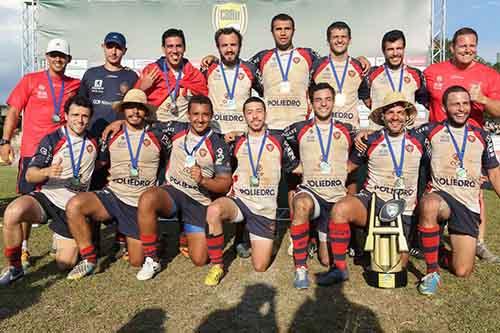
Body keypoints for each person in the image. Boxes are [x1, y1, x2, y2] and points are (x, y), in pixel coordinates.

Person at [318, 92, 426, 286]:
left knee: (396, 267)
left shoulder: (420, 140)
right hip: (372, 202)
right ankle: (339, 269)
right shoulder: (369, 139)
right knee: (340, 209)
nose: (395, 117)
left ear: (407, 115)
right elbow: (348, 167)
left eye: (400, 112)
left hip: (403, 209)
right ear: (382, 116)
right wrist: (314, 172)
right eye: (390, 112)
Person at [64, 89, 171, 280]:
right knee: (75, 205)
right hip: (113, 196)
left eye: (139, 108)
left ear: (146, 111)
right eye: (130, 108)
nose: (135, 112)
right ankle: (88, 259)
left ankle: (156, 238)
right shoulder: (111, 134)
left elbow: (170, 162)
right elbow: (100, 164)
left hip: (139, 203)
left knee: (137, 261)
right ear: (123, 110)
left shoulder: (159, 134)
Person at [0, 95, 98, 285]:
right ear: (66, 115)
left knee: (65, 263)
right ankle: (15, 268)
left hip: (72, 208)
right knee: (12, 212)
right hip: (47, 197)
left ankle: (60, 236)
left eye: (85, 116)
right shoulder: (53, 139)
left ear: (90, 118)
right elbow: (30, 175)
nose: (80, 120)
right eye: (75, 115)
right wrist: (46, 171)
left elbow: (103, 165)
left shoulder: (95, 141)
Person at [0, 38, 80, 268]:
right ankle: (23, 250)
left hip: (62, 156)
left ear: (68, 60)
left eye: (62, 56)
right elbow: (14, 111)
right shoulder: (30, 80)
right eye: (53, 55)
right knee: (25, 203)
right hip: (32, 155)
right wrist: (5, 140)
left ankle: (62, 236)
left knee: (61, 198)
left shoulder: (75, 85)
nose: (57, 59)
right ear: (46, 57)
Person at [134, 95, 232, 281]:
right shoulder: (176, 128)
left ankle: (184, 234)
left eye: (205, 115)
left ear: (211, 116)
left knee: (200, 259)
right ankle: (152, 258)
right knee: (147, 198)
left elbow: (224, 183)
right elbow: (144, 122)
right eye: (195, 114)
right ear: (187, 115)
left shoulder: (218, 144)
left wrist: (203, 180)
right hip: (173, 190)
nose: (200, 119)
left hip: (198, 199)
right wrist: (117, 123)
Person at [204, 96, 299, 286]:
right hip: (239, 201)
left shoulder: (279, 140)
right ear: (244, 116)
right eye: (249, 112)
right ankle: (217, 266)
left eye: (259, 111)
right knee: (214, 210)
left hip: (264, 209)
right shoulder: (235, 141)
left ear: (265, 113)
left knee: (260, 266)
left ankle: (261, 239)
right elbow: (219, 165)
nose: (255, 116)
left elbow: (295, 167)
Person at [425, 27, 500, 263]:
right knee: (428, 192)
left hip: (469, 145)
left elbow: (498, 110)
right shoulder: (432, 71)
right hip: (436, 144)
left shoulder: (489, 75)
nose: (467, 50)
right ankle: (425, 238)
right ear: (452, 47)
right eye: (462, 45)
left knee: (474, 191)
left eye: (472, 45)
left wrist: (484, 100)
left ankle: (478, 242)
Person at [416, 85, 500, 295]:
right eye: (455, 104)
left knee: (462, 270)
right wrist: (367, 134)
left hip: (467, 204)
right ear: (444, 107)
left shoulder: (482, 136)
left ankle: (440, 253)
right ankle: (431, 272)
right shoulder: (430, 131)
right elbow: (399, 137)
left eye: (465, 103)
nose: (461, 109)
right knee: (430, 204)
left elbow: (495, 174)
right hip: (441, 196)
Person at [283, 83, 356, 289]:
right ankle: (300, 269)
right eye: (318, 100)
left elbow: (361, 148)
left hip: (335, 198)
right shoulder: (299, 128)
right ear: (311, 102)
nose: (323, 104)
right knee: (301, 204)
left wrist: (351, 165)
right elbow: (282, 141)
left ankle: (336, 263)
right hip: (312, 193)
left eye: (327, 99)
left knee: (326, 260)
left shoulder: (346, 129)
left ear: (333, 102)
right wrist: (292, 165)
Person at [79, 32, 139, 259]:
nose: (114, 51)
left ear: (124, 50)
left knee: (120, 189)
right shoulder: (91, 74)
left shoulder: (131, 77)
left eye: (118, 48)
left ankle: (121, 239)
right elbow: (80, 106)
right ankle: (92, 241)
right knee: (92, 190)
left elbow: (136, 110)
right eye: (110, 47)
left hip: (122, 145)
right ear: (103, 47)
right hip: (92, 144)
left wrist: (121, 121)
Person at [134, 28, 208, 122]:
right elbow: (131, 101)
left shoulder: (194, 74)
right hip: (156, 128)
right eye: (170, 46)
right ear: (163, 49)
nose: (175, 51)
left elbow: (205, 103)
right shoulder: (152, 71)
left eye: (178, 46)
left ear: (184, 48)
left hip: (183, 130)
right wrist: (141, 88)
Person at [311, 21, 370, 129]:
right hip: (323, 130)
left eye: (343, 37)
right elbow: (306, 97)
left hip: (351, 131)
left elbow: (368, 100)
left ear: (349, 40)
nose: (339, 40)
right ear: (328, 41)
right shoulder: (316, 66)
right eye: (335, 37)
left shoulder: (359, 66)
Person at [366, 29, 429, 124]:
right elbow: (364, 98)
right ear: (383, 51)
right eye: (390, 49)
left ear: (404, 49)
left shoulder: (416, 74)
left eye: (399, 48)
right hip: (378, 134)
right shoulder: (371, 74)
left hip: (406, 134)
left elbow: (427, 102)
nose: (395, 53)